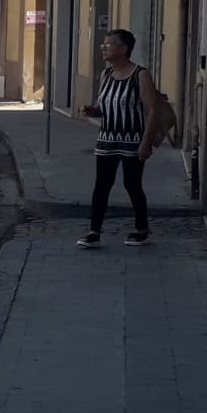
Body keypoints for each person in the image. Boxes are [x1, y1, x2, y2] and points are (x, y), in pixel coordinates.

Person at [78, 28, 158, 248]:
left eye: (109, 44)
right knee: (101, 185)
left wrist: (146, 142)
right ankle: (94, 230)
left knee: (132, 184)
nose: (104, 47)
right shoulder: (106, 75)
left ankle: (141, 228)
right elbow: (105, 107)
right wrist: (93, 111)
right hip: (107, 140)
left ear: (124, 49)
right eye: (104, 44)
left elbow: (153, 110)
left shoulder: (140, 75)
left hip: (132, 140)